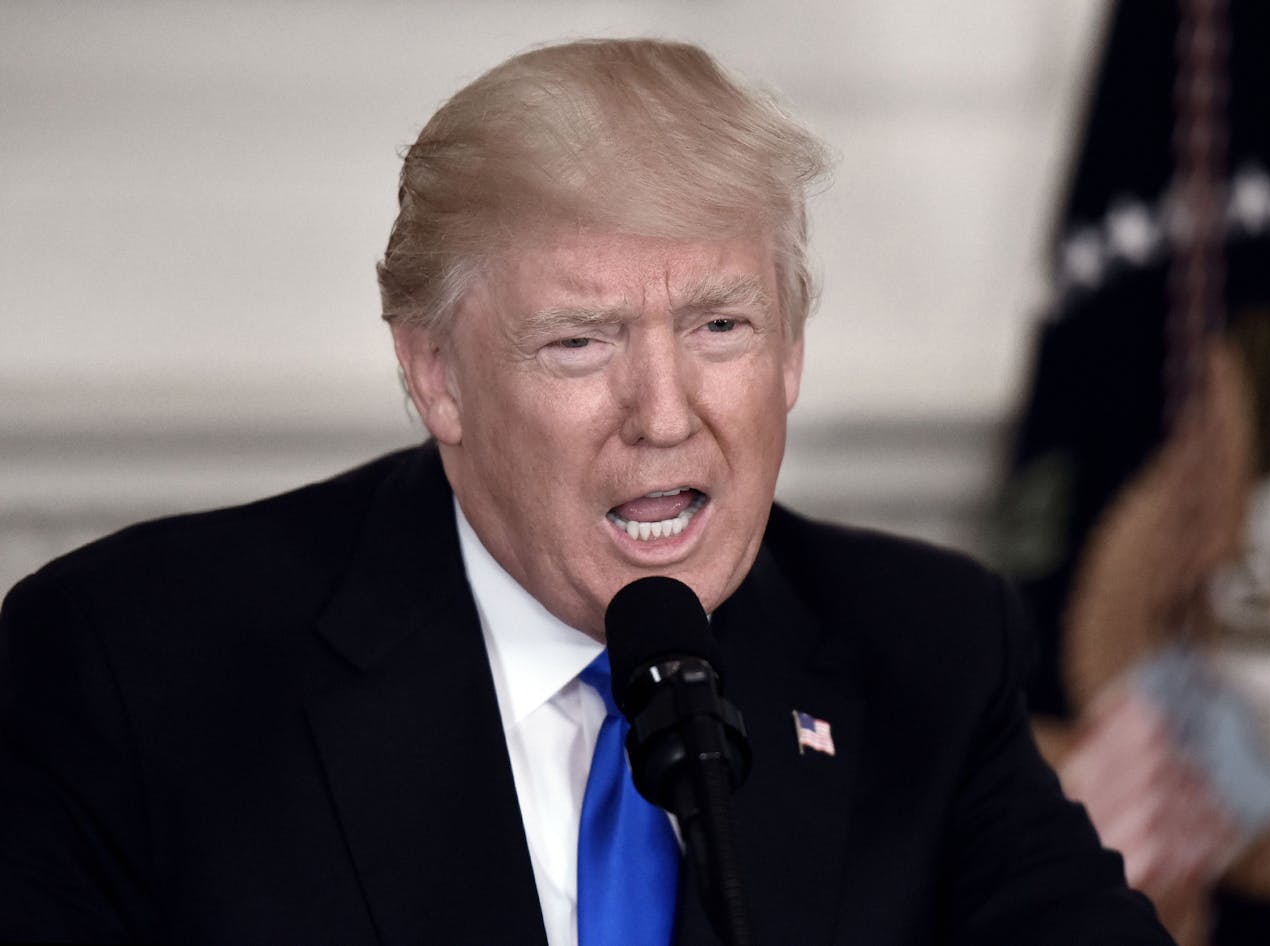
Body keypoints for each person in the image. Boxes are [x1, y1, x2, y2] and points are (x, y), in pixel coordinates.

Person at [0, 39, 1173, 945]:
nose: (664, 414)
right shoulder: (135, 665)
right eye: (579, 342)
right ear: (434, 374)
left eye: (720, 325)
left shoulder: (918, 649)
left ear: (790, 353)